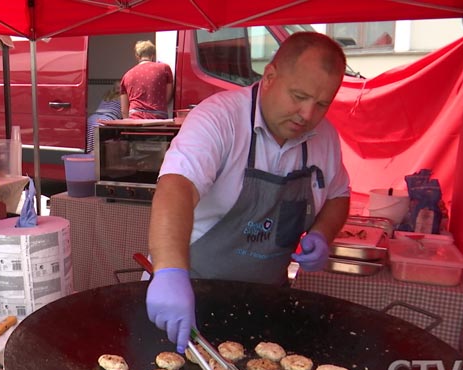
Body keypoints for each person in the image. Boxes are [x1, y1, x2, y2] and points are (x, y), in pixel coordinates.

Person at [145, 32, 351, 353]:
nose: (307, 115)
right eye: (298, 96)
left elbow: (339, 195)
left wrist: (323, 234)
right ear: (269, 76)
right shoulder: (220, 118)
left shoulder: (324, 138)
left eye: (322, 103)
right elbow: (176, 189)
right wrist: (170, 272)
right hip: (188, 303)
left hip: (267, 309)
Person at [120, 40, 173, 120]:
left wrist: (128, 125)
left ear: (137, 55)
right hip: (158, 119)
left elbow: (124, 110)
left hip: (135, 120)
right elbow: (168, 96)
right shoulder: (164, 68)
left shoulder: (127, 75)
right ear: (153, 55)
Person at [86, 86, 122, 153]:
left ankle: (89, 155)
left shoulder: (107, 97)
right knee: (99, 146)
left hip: (92, 118)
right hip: (106, 119)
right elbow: (124, 112)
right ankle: (97, 158)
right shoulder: (122, 98)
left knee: (90, 143)